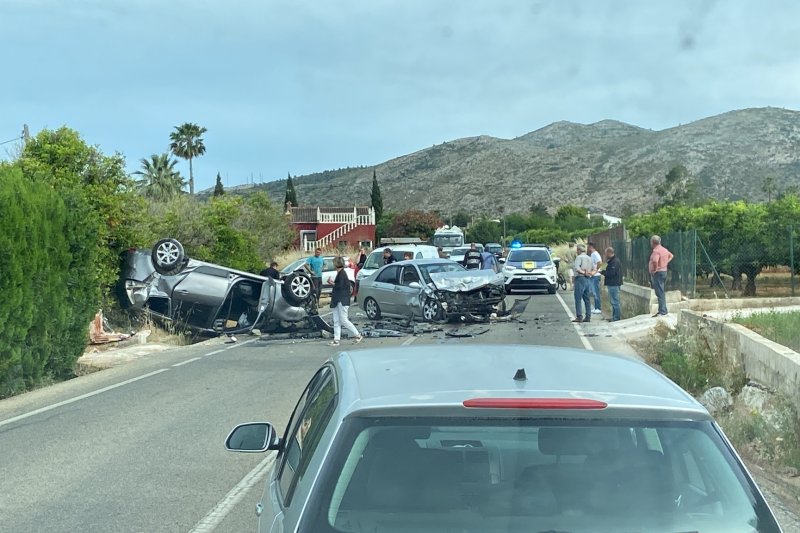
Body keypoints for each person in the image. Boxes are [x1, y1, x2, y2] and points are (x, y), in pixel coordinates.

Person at [327, 257, 363, 346]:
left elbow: (341, 287)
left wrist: (332, 283)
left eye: (334, 263)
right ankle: (336, 339)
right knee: (336, 320)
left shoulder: (342, 274)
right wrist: (333, 283)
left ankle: (357, 335)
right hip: (338, 300)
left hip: (342, 300)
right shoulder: (341, 273)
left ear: (336, 264)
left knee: (343, 320)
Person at [649, 235, 674, 317]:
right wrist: (665, 262)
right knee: (661, 291)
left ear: (653, 242)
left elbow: (655, 261)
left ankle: (662, 311)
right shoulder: (664, 250)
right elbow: (671, 256)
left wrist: (655, 269)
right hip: (664, 271)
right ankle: (663, 309)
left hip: (658, 273)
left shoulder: (656, 251)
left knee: (659, 292)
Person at [572, 244, 594, 323]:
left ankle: (579, 316)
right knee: (587, 299)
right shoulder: (589, 258)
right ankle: (588, 316)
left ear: (578, 250)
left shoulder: (579, 257)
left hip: (580, 278)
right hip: (588, 279)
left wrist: (583, 272)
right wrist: (589, 273)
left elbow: (577, 268)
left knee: (578, 298)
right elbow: (593, 268)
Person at [601, 247, 623, 321]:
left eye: (606, 253)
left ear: (609, 253)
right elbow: (602, 268)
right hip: (611, 284)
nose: (605, 254)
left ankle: (616, 317)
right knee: (613, 301)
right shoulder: (609, 260)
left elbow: (611, 273)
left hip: (614, 283)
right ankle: (614, 317)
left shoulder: (615, 261)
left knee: (615, 301)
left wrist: (602, 272)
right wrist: (603, 264)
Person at [587, 242, 603, 315]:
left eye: (588, 246)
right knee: (593, 292)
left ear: (591, 247)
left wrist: (596, 270)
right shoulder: (593, 254)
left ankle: (598, 308)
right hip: (593, 275)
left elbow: (599, 262)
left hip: (595, 275)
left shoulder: (595, 254)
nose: (588, 248)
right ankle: (596, 307)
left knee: (596, 292)